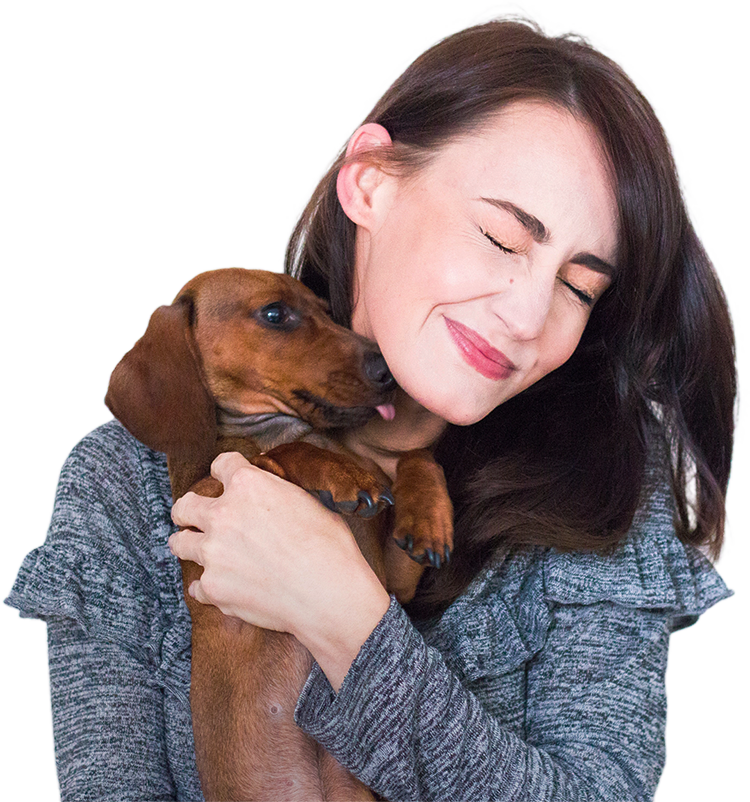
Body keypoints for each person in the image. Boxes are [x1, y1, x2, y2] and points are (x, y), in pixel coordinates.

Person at [4, 15, 736, 801]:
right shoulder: (122, 484)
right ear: (370, 183)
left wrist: (345, 616)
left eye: (577, 287)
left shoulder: (604, 490)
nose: (527, 316)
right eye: (501, 237)